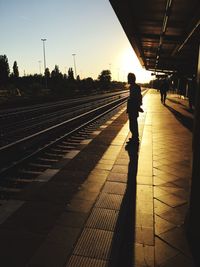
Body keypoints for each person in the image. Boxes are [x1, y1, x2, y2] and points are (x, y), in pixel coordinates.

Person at [126, 72, 143, 143]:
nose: (127, 79)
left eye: (128, 78)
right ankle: (134, 136)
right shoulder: (135, 86)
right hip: (133, 107)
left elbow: (135, 98)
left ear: (131, 79)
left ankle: (135, 137)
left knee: (133, 123)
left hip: (133, 107)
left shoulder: (134, 87)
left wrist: (137, 106)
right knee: (133, 122)